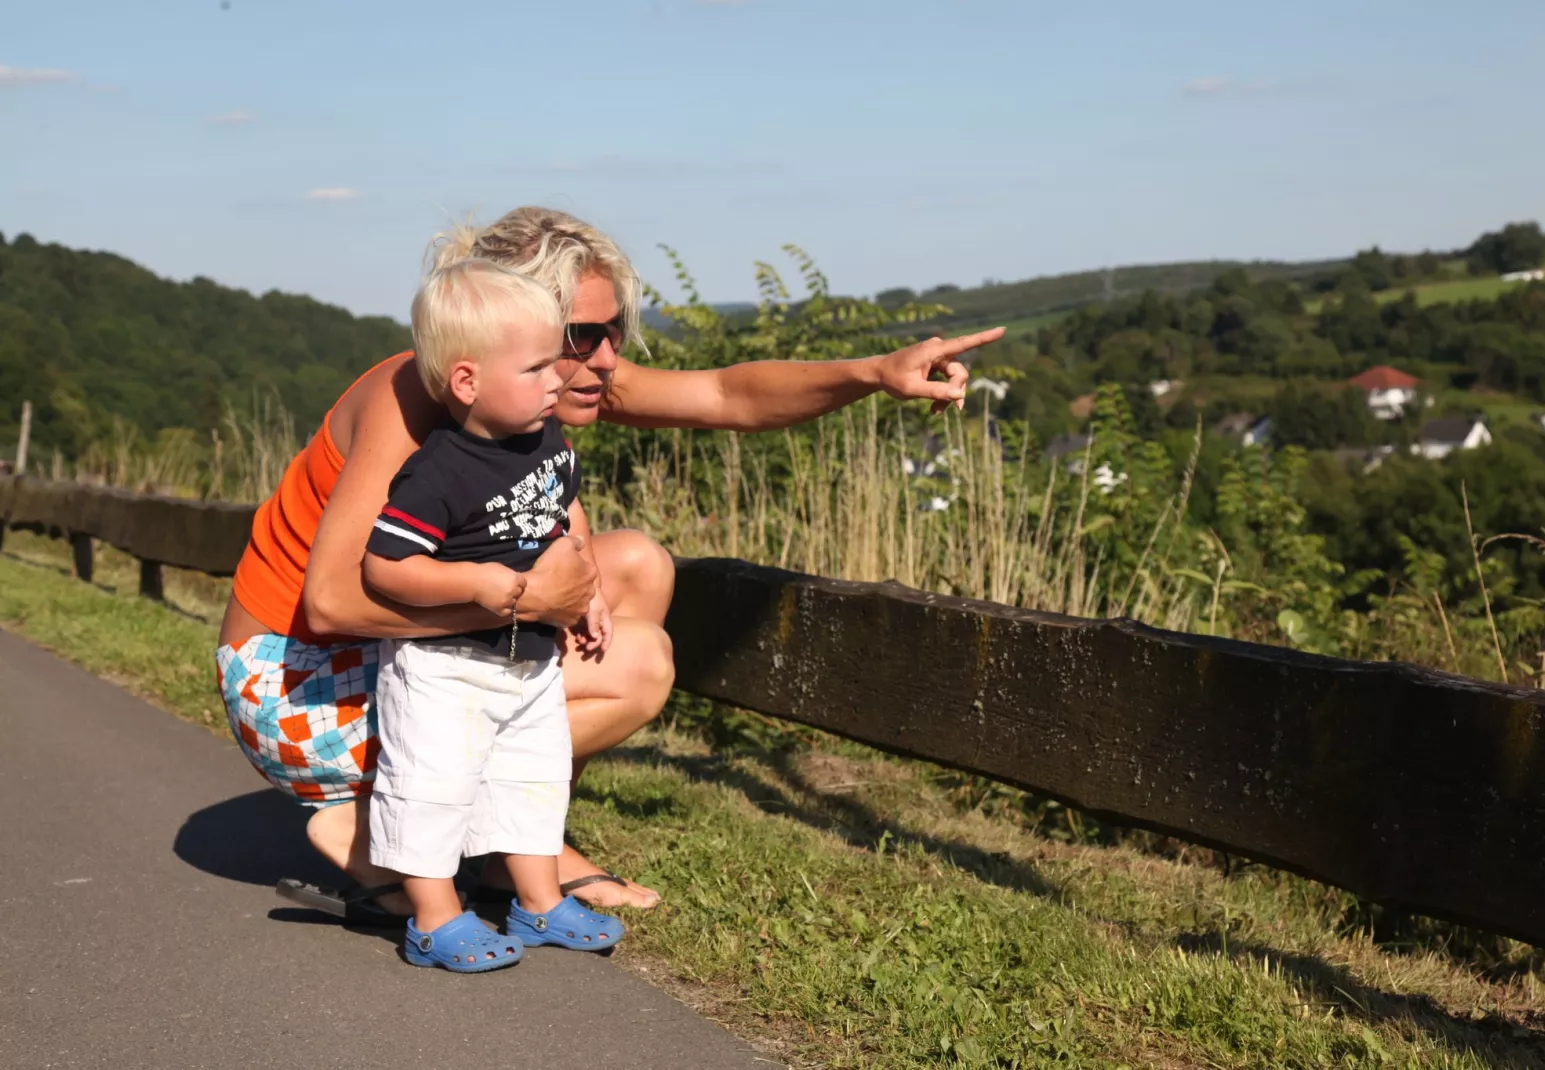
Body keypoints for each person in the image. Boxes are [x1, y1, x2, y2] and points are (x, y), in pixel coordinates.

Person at [217, 205, 1004, 925]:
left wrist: (873, 373)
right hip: (292, 684)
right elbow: (329, 603)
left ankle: (508, 838)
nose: (605, 356)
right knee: (638, 664)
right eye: (582, 335)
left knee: (636, 567)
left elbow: (729, 396)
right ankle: (411, 834)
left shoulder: (531, 381)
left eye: (614, 329)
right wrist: (525, 602)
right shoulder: (416, 392)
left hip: (385, 654)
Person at [363, 258, 622, 970]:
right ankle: (434, 917)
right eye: (537, 368)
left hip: (527, 659)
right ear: (468, 381)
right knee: (432, 784)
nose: (557, 380)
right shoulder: (438, 471)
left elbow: (565, 513)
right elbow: (384, 565)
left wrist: (587, 588)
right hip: (446, 665)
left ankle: (538, 903)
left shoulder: (548, 442)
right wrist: (475, 583)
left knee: (536, 779)